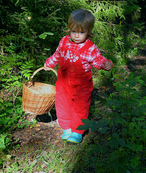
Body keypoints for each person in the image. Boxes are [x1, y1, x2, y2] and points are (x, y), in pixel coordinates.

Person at [44, 9, 113, 144]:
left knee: (80, 106)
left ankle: (77, 131)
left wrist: (105, 64)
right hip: (64, 81)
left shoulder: (90, 48)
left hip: (82, 84)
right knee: (63, 104)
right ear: (69, 29)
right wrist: (49, 63)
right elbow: (57, 55)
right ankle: (67, 127)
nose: (76, 35)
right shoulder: (64, 42)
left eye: (81, 32)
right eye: (74, 31)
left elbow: (97, 59)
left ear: (88, 32)